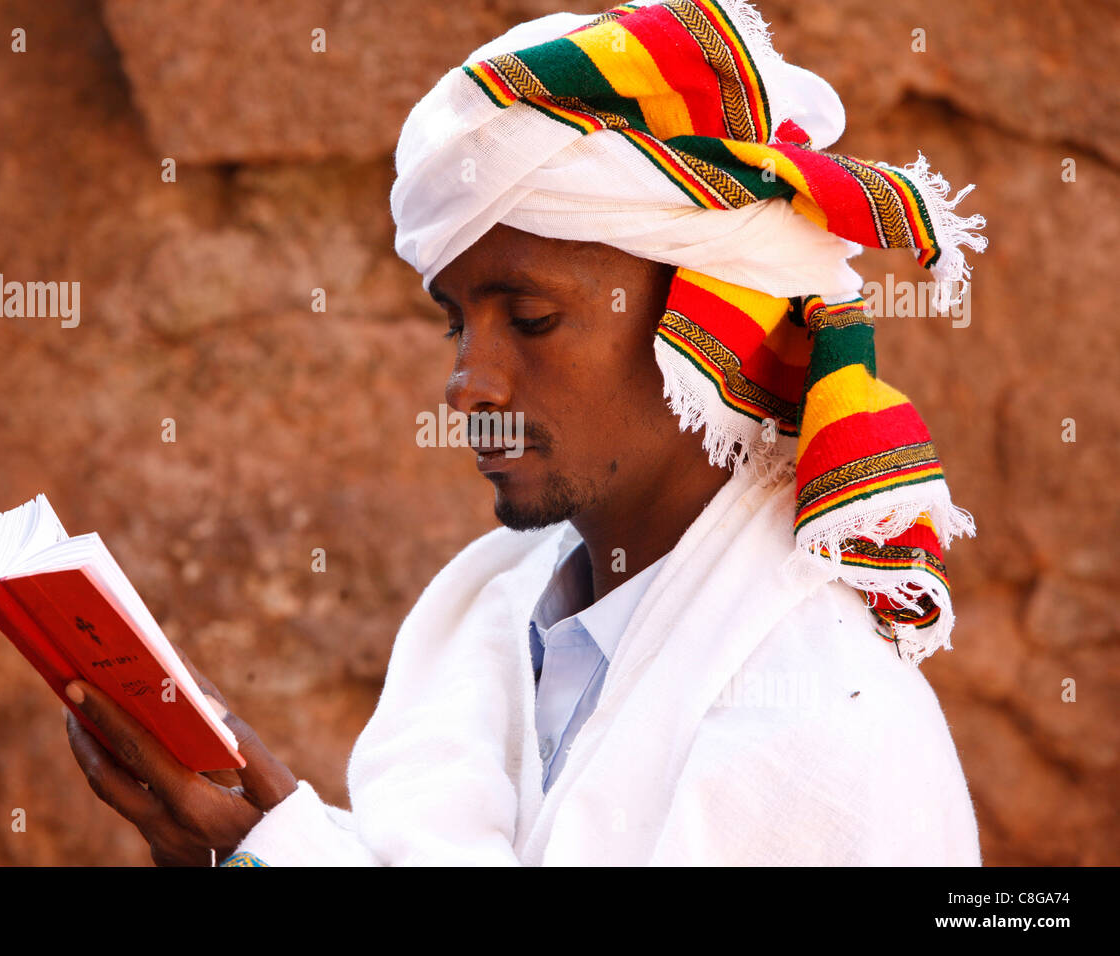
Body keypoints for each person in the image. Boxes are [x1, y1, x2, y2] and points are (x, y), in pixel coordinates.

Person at [65, 0, 986, 865]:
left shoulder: (820, 714)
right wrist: (260, 835)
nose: (468, 386)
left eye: (532, 320)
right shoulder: (496, 611)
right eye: (456, 323)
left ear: (706, 327)